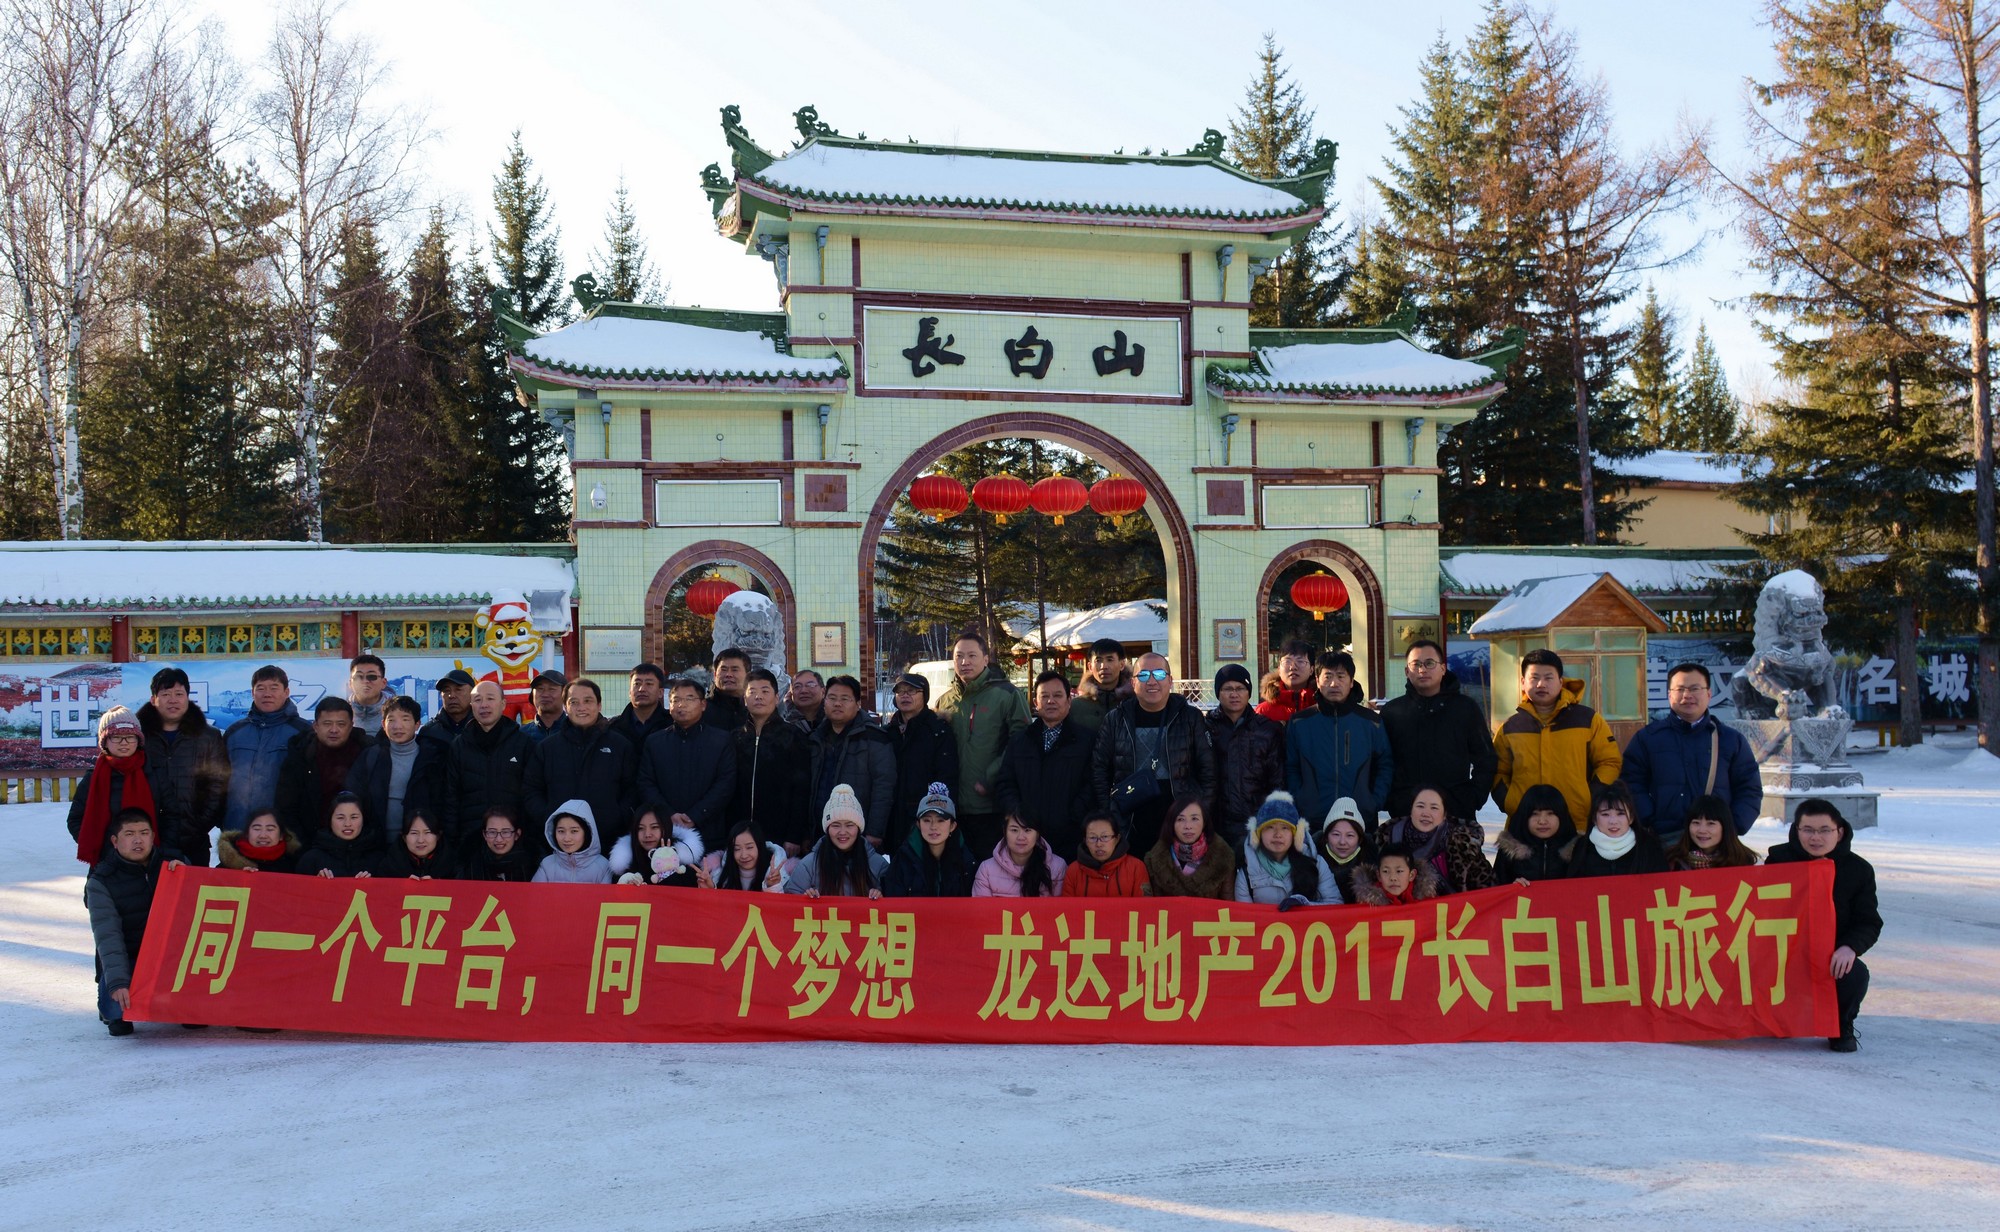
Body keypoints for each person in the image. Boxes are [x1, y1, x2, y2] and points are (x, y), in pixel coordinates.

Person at [1766, 798, 1881, 1051]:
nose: (1815, 837)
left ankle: (1840, 1025)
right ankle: (1774, 1017)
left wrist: (1849, 947)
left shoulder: (1858, 870)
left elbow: (1868, 922)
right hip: (1784, 950)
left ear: (1839, 832)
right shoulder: (1778, 860)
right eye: (1807, 830)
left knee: (1854, 973)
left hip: (1830, 954)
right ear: (1796, 830)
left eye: (1824, 830)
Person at [1623, 662, 1763, 850]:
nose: (1687, 695)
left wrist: (1733, 826)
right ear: (1669, 695)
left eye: (1695, 689)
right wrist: (1648, 820)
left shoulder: (1730, 740)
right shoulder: (1648, 738)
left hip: (1716, 845)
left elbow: (1749, 789)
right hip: (1664, 842)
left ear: (1709, 694)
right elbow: (1631, 784)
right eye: (1680, 689)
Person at [1091, 652, 1218, 856]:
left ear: (1170, 681)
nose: (1151, 681)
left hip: (1180, 820)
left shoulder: (1190, 717)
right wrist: (1110, 813)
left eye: (1159, 674)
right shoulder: (1116, 719)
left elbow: (1208, 771)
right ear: (1133, 683)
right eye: (1143, 675)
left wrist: (1199, 815)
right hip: (1130, 822)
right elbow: (1099, 770)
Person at [1492, 648, 1623, 830]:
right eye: (1534, 678)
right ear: (1522, 682)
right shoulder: (1510, 727)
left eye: (1548, 678)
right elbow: (1498, 772)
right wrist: (1511, 802)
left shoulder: (1588, 720)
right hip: (1525, 825)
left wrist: (1590, 797)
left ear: (1561, 681)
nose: (1541, 684)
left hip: (1577, 823)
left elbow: (1609, 762)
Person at [85, 809, 181, 1036]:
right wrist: (118, 982)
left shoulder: (174, 866)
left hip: (171, 960)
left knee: (194, 1016)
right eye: (129, 834)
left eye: (144, 833)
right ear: (115, 841)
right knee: (115, 1011)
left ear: (153, 836)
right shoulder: (101, 881)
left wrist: (187, 877)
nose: (138, 840)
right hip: (130, 959)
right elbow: (108, 937)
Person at [1379, 640, 1497, 822]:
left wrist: (1472, 798)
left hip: (1456, 814)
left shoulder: (1465, 709)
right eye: (1416, 664)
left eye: (1429, 663)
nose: (1422, 669)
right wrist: (1393, 800)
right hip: (1406, 815)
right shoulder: (1392, 712)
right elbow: (1381, 762)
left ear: (1443, 668)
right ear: (1407, 671)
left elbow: (1485, 759)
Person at [935, 632, 1030, 856]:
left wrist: (990, 778)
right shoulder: (945, 701)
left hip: (991, 804)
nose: (965, 662)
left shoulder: (1006, 694)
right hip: (953, 807)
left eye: (972, 655)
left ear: (985, 659)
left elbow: (1021, 742)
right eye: (959, 656)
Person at [995, 669, 1097, 860]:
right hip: (1026, 839)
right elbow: (1005, 783)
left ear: (1069, 701)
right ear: (1036, 702)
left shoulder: (1086, 740)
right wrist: (1019, 815)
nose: (1051, 701)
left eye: (1058, 695)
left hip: (1071, 837)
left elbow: (1092, 784)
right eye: (1044, 696)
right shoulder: (1020, 740)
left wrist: (1073, 815)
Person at [524, 678, 634, 854]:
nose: (581, 707)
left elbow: (632, 790)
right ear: (565, 707)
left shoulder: (620, 745)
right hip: (558, 844)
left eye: (588, 701)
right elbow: (531, 790)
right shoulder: (547, 748)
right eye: (573, 702)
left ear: (599, 705)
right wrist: (549, 818)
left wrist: (616, 817)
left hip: (607, 843)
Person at [1285, 651, 1392, 832]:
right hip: (1312, 820)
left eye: (1341, 676)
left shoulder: (1371, 722)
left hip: (1360, 819)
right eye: (1328, 676)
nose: (1334, 683)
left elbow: (1385, 765)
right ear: (1317, 680)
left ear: (1351, 682)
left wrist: (1373, 802)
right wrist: (1301, 800)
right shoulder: (1300, 722)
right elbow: (1290, 767)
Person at [136, 667, 229, 867]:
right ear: (153, 699)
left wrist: (200, 824)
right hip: (146, 838)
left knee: (192, 887)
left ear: (187, 698)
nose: (173, 700)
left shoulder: (208, 736)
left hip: (193, 839)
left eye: (179, 694)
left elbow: (218, 785)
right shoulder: (138, 737)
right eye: (165, 694)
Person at [637, 676, 738, 852]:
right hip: (664, 831)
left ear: (703, 705)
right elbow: (646, 782)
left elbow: (725, 783)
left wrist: (696, 815)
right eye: (675, 700)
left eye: (689, 699)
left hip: (710, 831)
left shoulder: (721, 740)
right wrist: (669, 814)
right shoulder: (655, 742)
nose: (681, 705)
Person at [444, 681, 535, 852]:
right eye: (478, 700)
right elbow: (451, 796)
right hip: (469, 841)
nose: (484, 705)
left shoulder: (523, 744)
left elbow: (531, 794)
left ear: (503, 704)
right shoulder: (459, 745)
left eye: (490, 699)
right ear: (471, 705)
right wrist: (452, 840)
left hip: (513, 841)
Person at [221, 664, 311, 833]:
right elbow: (219, 780)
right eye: (261, 688)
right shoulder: (235, 732)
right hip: (237, 828)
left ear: (286, 692)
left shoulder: (303, 732)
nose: (267, 694)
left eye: (274, 688)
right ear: (252, 693)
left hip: (284, 832)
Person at [807, 675, 895, 846]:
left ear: (858, 704)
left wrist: (875, 831)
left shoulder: (874, 738)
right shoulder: (816, 738)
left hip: (858, 833)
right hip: (820, 831)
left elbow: (884, 787)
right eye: (832, 698)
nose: (837, 703)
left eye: (845, 699)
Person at [732, 668, 812, 854]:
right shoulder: (735, 738)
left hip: (780, 833)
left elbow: (802, 790)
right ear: (745, 699)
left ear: (776, 698)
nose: (758, 696)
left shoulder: (793, 736)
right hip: (739, 833)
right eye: (752, 691)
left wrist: (794, 835)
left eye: (765, 691)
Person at [275, 697, 374, 847]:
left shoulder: (368, 754)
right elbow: (286, 807)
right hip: (311, 844)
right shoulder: (300, 755)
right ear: (315, 726)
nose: (334, 730)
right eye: (327, 724)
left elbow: (376, 806)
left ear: (351, 726)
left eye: (341, 724)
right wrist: (303, 847)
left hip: (361, 846)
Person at [1206, 663, 1285, 846]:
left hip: (1257, 822)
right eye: (1227, 689)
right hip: (1216, 823)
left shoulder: (1268, 730)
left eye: (1240, 688)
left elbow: (1277, 780)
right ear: (1218, 693)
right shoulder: (1205, 728)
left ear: (1249, 692)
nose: (1234, 694)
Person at [881, 671, 960, 854]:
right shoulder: (888, 732)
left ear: (925, 696)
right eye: (900, 691)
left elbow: (947, 775)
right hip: (893, 814)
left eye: (911, 691)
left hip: (926, 814)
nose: (905, 695)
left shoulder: (938, 731)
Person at [68, 707, 157, 864]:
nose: (124, 743)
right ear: (105, 742)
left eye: (130, 737)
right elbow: (75, 819)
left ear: (139, 740)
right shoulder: (93, 779)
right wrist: (102, 848)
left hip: (150, 860)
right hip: (106, 862)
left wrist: (161, 850)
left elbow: (170, 815)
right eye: (116, 737)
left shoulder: (153, 774)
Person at [352, 695, 441, 846]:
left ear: (417, 724)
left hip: (418, 844)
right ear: (383, 724)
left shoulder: (432, 759)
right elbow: (356, 798)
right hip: (375, 844)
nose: (397, 726)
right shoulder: (371, 756)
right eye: (391, 720)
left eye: (405, 719)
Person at [1378, 784, 1495, 895]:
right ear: (1411, 810)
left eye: (1434, 808)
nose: (1426, 813)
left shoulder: (1462, 844)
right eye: (1420, 806)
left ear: (1444, 815)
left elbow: (1488, 890)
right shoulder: (1387, 839)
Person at [1235, 791, 1341, 907]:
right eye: (1270, 827)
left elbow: (1335, 904)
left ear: (1296, 835)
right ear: (1257, 834)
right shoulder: (1247, 872)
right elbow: (1244, 915)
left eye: (1285, 828)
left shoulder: (1317, 864)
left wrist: (1303, 905)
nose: (1278, 834)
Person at [784, 785, 888, 897]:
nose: (842, 832)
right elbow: (790, 900)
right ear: (827, 829)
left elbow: (894, 900)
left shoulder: (878, 865)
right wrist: (805, 898)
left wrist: (881, 898)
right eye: (836, 825)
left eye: (849, 825)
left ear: (859, 829)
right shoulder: (809, 864)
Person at [880, 784, 977, 898]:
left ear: (952, 826)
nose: (933, 826)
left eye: (940, 820)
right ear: (918, 824)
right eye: (926, 820)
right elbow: (892, 900)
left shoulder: (966, 860)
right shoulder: (903, 858)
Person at [1565, 782, 1668, 878]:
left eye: (1620, 814)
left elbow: (1662, 884)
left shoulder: (1649, 846)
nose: (1613, 821)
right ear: (1594, 819)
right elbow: (1573, 886)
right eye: (1605, 814)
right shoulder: (1583, 847)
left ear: (1631, 818)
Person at [1142, 793, 1237, 899]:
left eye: (1194, 819)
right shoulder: (1156, 860)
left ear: (1204, 822)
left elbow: (1228, 904)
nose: (1188, 826)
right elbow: (1156, 905)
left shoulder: (1223, 857)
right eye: (1181, 819)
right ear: (1171, 824)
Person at [1492, 784, 1577, 885]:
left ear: (1562, 816)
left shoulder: (1578, 850)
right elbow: (1495, 886)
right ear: (1524, 817)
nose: (1542, 821)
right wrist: (1511, 887)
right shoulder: (1509, 851)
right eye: (1535, 814)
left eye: (1550, 814)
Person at [972, 814, 1067, 898]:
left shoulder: (1058, 867)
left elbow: (1062, 909)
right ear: (1005, 832)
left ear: (1037, 834)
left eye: (1027, 830)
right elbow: (982, 911)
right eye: (1014, 830)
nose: (1021, 837)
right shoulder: (987, 869)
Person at [1062, 811, 1151, 897]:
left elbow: (1145, 905)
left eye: (1105, 837)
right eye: (1092, 838)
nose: (1099, 844)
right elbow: (1067, 906)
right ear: (1085, 841)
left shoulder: (1136, 867)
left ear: (1117, 839)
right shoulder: (1073, 871)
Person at [1666, 793, 1761, 871]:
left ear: (1725, 827)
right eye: (1696, 823)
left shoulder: (1742, 861)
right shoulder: (1672, 861)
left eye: (1710, 823)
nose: (1702, 830)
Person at [295, 792, 378, 878]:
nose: (347, 824)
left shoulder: (377, 860)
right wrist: (316, 883)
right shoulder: (311, 860)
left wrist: (372, 884)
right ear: (330, 820)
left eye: (354, 817)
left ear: (363, 820)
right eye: (340, 818)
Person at [609, 807, 704, 882]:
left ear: (666, 828)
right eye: (640, 828)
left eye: (654, 827)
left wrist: (707, 889)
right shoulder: (625, 870)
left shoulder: (687, 868)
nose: (647, 834)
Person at [533, 801, 613, 884]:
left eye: (574, 831)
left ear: (587, 831)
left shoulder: (603, 867)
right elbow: (534, 892)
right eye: (561, 831)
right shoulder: (547, 864)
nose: (567, 838)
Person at [705, 819, 790, 892]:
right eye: (737, 849)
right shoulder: (720, 874)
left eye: (749, 847)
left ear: (760, 846)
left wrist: (773, 886)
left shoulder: (780, 874)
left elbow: (779, 905)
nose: (744, 855)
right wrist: (708, 889)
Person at [1068, 637, 1131, 731]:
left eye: (1110, 660)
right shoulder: (1075, 706)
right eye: (1098, 660)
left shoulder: (1135, 703)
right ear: (1090, 666)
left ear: (1121, 664)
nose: (1104, 666)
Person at [1318, 800, 1374, 904]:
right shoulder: (1310, 862)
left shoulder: (1375, 868)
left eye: (1350, 835)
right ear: (1326, 837)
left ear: (1359, 839)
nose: (1342, 842)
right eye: (1336, 834)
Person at [374, 808, 456, 879]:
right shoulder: (390, 865)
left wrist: (437, 885)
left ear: (438, 836)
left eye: (427, 832)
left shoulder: (452, 864)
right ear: (404, 837)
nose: (420, 840)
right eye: (414, 833)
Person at [1350, 843, 1440, 907]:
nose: (1393, 878)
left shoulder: (1428, 902)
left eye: (1399, 871)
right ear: (1379, 876)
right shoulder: (1368, 905)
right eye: (1386, 871)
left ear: (1411, 875)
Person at [216, 808, 301, 874]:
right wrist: (239, 876)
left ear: (281, 836)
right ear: (247, 834)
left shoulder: (294, 863)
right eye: (257, 829)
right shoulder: (230, 862)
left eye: (270, 829)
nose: (263, 835)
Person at [608, 663, 672, 751]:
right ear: (630, 692)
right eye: (637, 684)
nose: (642, 689)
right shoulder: (613, 727)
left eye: (649, 684)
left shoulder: (671, 725)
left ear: (661, 692)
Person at [462, 808, 538, 881]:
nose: (499, 839)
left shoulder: (532, 865)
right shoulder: (471, 864)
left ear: (517, 834)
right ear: (484, 834)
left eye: (505, 832)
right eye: (492, 832)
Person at [417, 668, 477, 758]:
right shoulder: (429, 732)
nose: (451, 695)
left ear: (473, 693)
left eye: (458, 689)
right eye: (446, 690)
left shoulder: (484, 728)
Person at [1255, 639, 1319, 723]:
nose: (1293, 667)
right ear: (1279, 669)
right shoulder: (1263, 711)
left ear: (1311, 670)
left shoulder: (1323, 708)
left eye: (1300, 661)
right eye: (1287, 662)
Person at [704, 648, 752, 733]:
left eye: (734, 670)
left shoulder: (755, 710)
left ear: (748, 676)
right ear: (715, 674)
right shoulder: (701, 710)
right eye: (724, 670)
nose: (728, 675)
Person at [346, 654, 392, 737]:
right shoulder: (341, 711)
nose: (365, 681)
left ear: (384, 683)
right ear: (350, 683)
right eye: (359, 676)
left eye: (371, 677)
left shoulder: (397, 710)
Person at [522, 669, 568, 744]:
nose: (545, 694)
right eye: (540, 689)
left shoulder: (577, 732)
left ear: (565, 694)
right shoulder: (521, 736)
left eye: (552, 689)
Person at [782, 668, 826, 733]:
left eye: (810, 685)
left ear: (823, 691)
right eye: (797, 686)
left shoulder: (834, 720)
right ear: (790, 693)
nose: (803, 691)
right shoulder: (782, 722)